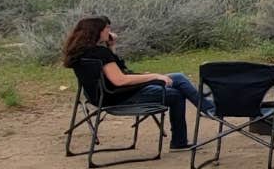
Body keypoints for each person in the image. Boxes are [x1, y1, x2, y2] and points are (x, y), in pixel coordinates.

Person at [62, 16, 208, 151]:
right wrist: (154, 76)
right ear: (97, 31)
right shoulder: (99, 53)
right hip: (119, 97)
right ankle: (185, 136)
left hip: (100, 96)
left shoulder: (80, 53)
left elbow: (115, 73)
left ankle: (207, 109)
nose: (110, 31)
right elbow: (120, 80)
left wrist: (111, 47)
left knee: (178, 77)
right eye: (107, 28)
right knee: (175, 94)